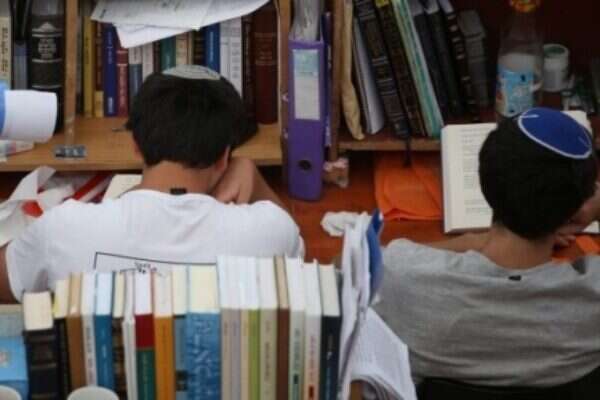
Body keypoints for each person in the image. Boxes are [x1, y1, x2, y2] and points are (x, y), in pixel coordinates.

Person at [0, 66, 304, 303]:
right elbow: (296, 257)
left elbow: (7, 281)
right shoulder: (269, 231)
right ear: (224, 157)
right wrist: (253, 176)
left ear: (135, 144)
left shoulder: (63, 228)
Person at [374, 107, 600, 387]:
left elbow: (344, 267)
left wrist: (469, 242)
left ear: (484, 181)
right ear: (577, 206)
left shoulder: (399, 275)